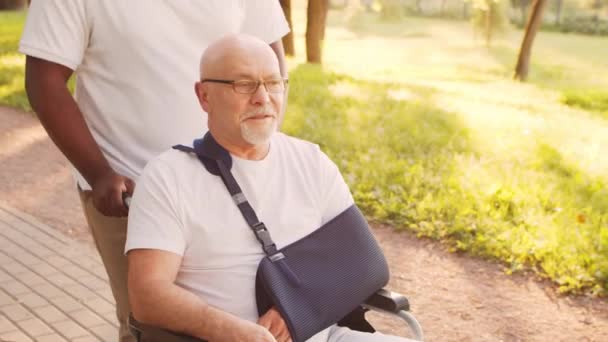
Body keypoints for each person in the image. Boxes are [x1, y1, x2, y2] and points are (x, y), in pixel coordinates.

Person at [19, 2, 289, 341]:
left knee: (251, 318)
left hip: (239, 182)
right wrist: (98, 174)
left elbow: (272, 58)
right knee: (154, 329)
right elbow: (44, 80)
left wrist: (265, 150)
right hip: (133, 191)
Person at [126, 34, 414, 342]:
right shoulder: (168, 177)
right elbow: (148, 295)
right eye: (244, 84)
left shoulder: (310, 160)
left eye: (273, 83)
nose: (263, 97)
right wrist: (230, 331)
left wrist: (298, 310)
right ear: (205, 96)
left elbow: (364, 263)